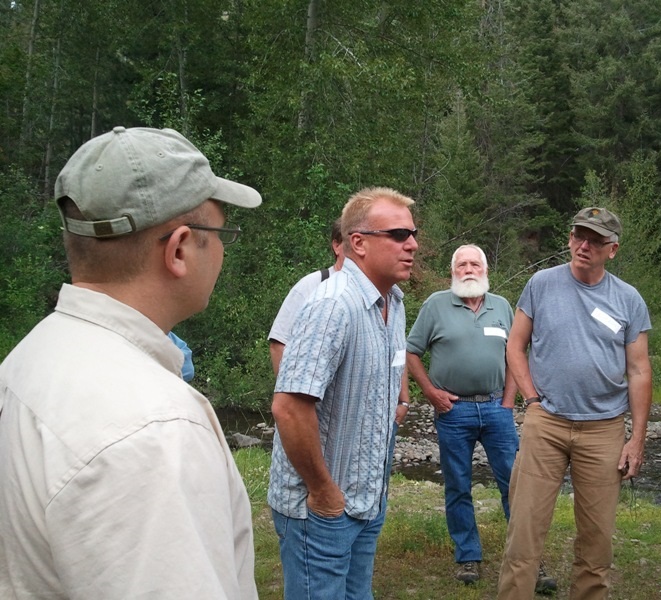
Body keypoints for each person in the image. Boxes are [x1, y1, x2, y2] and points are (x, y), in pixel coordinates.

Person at [0, 126, 262, 599]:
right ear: (180, 248)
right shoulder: (154, 431)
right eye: (223, 233)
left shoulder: (33, 357)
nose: (224, 249)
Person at [268, 186, 418, 599]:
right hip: (321, 511)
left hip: (365, 502)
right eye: (399, 235)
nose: (413, 244)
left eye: (413, 233)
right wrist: (325, 493)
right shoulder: (333, 305)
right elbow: (289, 409)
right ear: (358, 243)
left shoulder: (394, 302)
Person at [497, 207, 653, 600]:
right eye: (578, 236)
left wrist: (636, 440)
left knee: (596, 541)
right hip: (545, 423)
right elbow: (515, 345)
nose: (584, 245)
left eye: (595, 240)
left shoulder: (628, 299)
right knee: (524, 533)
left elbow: (639, 371)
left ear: (612, 249)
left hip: (604, 430)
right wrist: (531, 399)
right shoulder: (540, 284)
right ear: (569, 238)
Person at [406, 244, 556, 592]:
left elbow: (515, 354)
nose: (468, 269)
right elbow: (411, 352)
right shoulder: (435, 305)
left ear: (485, 270)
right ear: (452, 271)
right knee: (458, 485)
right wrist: (430, 392)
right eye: (462, 265)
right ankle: (467, 556)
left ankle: (528, 558)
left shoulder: (502, 306)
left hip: (496, 410)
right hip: (452, 410)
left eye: (475, 264)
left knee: (516, 485)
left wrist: (508, 401)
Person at [268, 217, 410, 491]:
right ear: (339, 245)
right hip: (326, 422)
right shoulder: (317, 287)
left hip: (376, 422)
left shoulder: (390, 297)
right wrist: (300, 397)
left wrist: (402, 401)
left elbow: (396, 354)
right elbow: (279, 343)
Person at [268, 218, 345, 374]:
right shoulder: (312, 284)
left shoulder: (378, 293)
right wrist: (291, 395)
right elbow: (278, 343)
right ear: (336, 246)